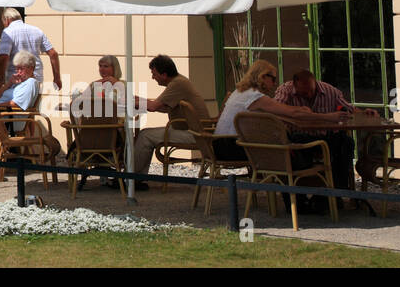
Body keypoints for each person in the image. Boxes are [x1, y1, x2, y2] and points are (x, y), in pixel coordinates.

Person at [213, 60, 348, 166]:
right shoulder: (255, 96)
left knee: (294, 143)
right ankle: (315, 183)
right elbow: (292, 113)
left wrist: (299, 110)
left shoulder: (240, 92)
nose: (274, 83)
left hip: (221, 145)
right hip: (234, 148)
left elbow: (282, 112)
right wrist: (329, 117)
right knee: (299, 147)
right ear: (263, 76)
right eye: (273, 79)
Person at [275, 68, 371, 192]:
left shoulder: (330, 91)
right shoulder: (286, 90)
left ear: (315, 82)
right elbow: (275, 109)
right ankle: (309, 188)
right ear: (294, 85)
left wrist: (365, 113)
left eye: (311, 91)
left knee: (346, 143)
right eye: (304, 93)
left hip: (324, 137)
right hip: (299, 138)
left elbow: (350, 109)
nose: (308, 95)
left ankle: (339, 188)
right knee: (298, 145)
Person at [128, 54, 208, 190]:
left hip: (194, 134)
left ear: (164, 74)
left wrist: (130, 101)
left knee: (145, 136)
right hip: (192, 130)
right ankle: (136, 177)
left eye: (154, 74)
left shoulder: (177, 84)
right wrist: (137, 99)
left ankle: (130, 179)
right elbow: (163, 107)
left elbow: (153, 106)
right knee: (146, 134)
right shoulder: (179, 81)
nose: (152, 77)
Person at [0, 7, 61, 91]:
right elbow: (53, 54)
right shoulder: (37, 30)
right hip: (36, 77)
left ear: (7, 20)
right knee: (33, 103)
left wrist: (1, 80)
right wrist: (57, 78)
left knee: (13, 103)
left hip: (17, 79)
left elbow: (3, 57)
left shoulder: (8, 32)